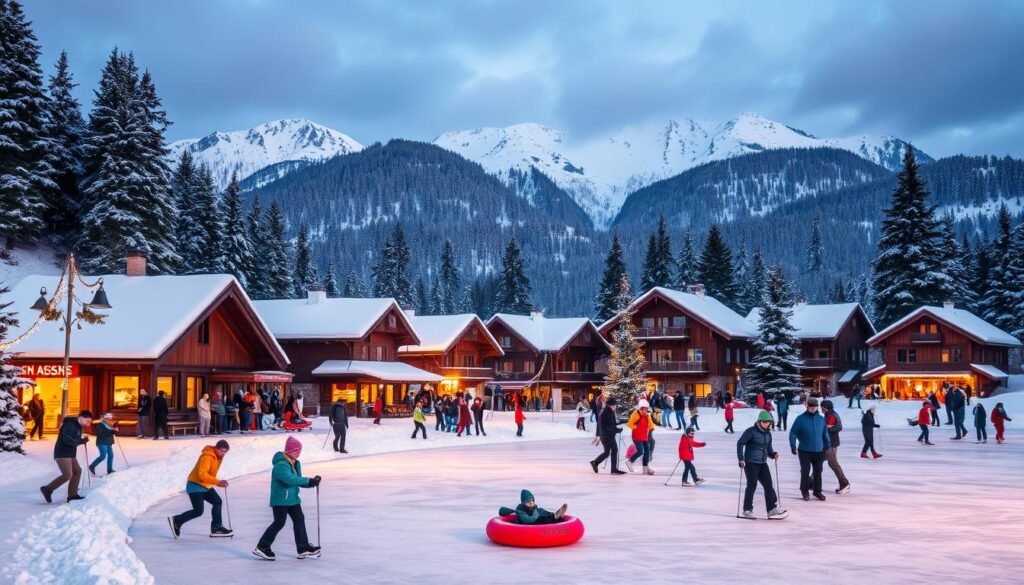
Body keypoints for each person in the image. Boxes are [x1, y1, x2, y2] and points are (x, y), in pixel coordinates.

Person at [253, 437, 322, 561]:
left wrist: (311, 482)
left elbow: (297, 480)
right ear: (289, 451)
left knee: (299, 519)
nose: (298, 453)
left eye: (299, 450)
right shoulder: (281, 465)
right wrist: (308, 481)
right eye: (296, 451)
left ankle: (303, 548)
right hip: (281, 499)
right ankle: (262, 547)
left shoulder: (295, 463)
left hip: (292, 498)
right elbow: (290, 479)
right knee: (279, 522)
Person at [168, 439, 233, 538]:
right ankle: (176, 520)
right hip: (195, 485)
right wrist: (217, 482)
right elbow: (202, 474)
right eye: (221, 451)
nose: (223, 453)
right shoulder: (207, 456)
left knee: (217, 502)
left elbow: (209, 474)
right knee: (198, 511)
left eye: (225, 451)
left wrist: (217, 482)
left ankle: (216, 528)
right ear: (216, 448)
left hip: (205, 485)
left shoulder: (217, 457)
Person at [736, 411, 786, 519]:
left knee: (768, 485)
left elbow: (768, 449)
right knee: (752, 485)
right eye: (764, 422)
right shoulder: (751, 431)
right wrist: (741, 458)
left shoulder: (768, 434)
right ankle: (747, 510)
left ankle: (771, 510)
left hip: (763, 463)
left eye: (768, 422)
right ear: (759, 421)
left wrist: (773, 454)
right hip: (750, 463)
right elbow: (740, 443)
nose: (766, 424)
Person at [40, 410, 92, 504]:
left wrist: (82, 440)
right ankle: (47, 489)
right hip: (62, 453)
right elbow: (67, 440)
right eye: (87, 421)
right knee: (68, 474)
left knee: (77, 471)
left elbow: (73, 439)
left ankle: (72, 495)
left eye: (89, 421)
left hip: (70, 453)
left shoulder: (78, 426)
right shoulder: (70, 425)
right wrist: (80, 441)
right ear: (81, 418)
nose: (88, 423)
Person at [789, 397, 830, 501]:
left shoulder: (821, 419)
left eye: (815, 407)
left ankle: (817, 491)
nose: (813, 409)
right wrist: (793, 445)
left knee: (818, 471)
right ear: (807, 407)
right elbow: (793, 432)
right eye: (811, 407)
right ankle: (805, 492)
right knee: (805, 471)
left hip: (819, 451)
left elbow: (825, 433)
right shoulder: (800, 419)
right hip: (804, 451)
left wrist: (827, 446)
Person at [821, 400, 850, 494]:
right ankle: (812, 482)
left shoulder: (831, 416)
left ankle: (844, 483)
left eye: (822, 407)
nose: (821, 409)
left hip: (831, 444)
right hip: (830, 443)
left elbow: (829, 429)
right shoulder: (830, 414)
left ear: (826, 407)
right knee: (819, 461)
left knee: (832, 463)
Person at [590, 397, 625, 474]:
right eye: (614, 406)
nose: (615, 407)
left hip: (607, 435)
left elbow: (611, 424)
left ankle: (595, 462)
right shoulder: (605, 412)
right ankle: (613, 469)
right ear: (610, 405)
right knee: (614, 450)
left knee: (607, 452)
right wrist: (616, 430)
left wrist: (618, 426)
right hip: (606, 435)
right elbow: (606, 426)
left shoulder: (609, 411)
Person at [625, 400, 656, 475]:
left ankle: (645, 468)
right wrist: (636, 427)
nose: (646, 410)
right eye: (644, 408)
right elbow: (629, 424)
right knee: (640, 451)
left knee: (647, 451)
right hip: (636, 436)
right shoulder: (636, 414)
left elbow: (650, 424)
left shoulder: (647, 415)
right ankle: (630, 461)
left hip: (644, 436)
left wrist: (652, 428)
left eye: (646, 408)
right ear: (640, 408)